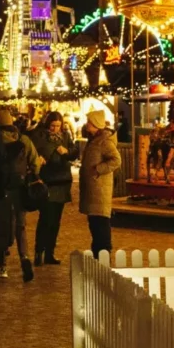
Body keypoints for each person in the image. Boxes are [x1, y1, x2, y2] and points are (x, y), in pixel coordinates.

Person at [0, 106, 40, 281]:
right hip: (20, 187)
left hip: (1, 189)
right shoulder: (24, 139)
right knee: (21, 224)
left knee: (1, 225)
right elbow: (35, 163)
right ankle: (24, 257)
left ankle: (2, 266)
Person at [30, 110, 78, 265]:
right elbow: (35, 152)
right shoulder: (40, 136)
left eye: (58, 126)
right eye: (53, 125)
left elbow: (74, 152)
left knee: (56, 220)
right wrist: (42, 157)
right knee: (46, 218)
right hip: (48, 182)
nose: (55, 129)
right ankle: (39, 252)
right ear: (48, 124)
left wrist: (67, 152)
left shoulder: (65, 136)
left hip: (62, 181)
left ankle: (50, 252)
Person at [80, 109, 121, 258]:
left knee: (100, 225)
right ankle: (98, 254)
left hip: (99, 191)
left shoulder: (104, 141)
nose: (87, 125)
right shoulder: (94, 140)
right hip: (93, 189)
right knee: (94, 224)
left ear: (95, 124)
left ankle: (103, 256)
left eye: (89, 122)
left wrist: (99, 169)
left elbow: (116, 160)